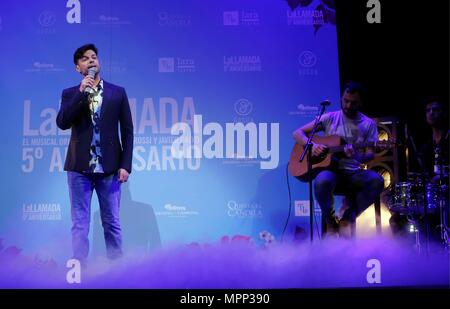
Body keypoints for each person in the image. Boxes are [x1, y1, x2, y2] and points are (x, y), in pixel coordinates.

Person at [56, 44, 134, 265]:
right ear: (77, 68)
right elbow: (62, 123)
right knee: (80, 224)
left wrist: (125, 165)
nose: (91, 60)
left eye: (93, 57)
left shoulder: (117, 93)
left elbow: (127, 131)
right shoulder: (70, 93)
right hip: (79, 170)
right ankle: (80, 269)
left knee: (111, 222)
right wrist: (81, 93)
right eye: (84, 59)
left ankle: (117, 270)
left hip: (109, 169)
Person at [293, 82, 384, 237]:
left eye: (353, 102)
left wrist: (355, 155)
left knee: (377, 181)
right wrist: (313, 145)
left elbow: (370, 155)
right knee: (322, 181)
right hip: (329, 171)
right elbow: (297, 132)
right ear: (341, 98)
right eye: (345, 100)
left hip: (353, 173)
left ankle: (348, 217)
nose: (348, 105)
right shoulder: (329, 118)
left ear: (360, 102)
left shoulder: (368, 124)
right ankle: (330, 219)